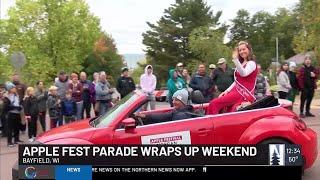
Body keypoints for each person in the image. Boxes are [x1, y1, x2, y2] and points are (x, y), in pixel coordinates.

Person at [207, 41, 258, 115]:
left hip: (243, 94)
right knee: (225, 109)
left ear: (249, 50)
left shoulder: (251, 63)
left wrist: (235, 60)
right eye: (240, 50)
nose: (241, 52)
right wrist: (227, 91)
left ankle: (211, 124)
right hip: (236, 91)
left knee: (214, 103)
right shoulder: (241, 64)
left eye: (244, 49)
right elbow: (237, 81)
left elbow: (244, 74)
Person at [5, 82, 23, 147]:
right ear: (9, 89)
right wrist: (16, 107)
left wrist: (20, 107)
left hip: (17, 113)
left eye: (14, 87)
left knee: (17, 127)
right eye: (13, 88)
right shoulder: (7, 96)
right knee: (10, 128)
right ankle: (9, 142)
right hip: (11, 114)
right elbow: (7, 107)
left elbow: (17, 103)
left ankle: (16, 139)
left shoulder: (16, 95)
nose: (15, 89)